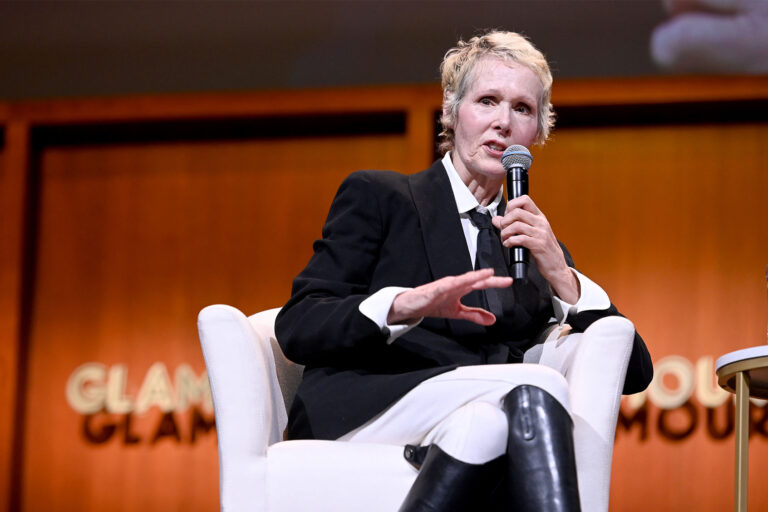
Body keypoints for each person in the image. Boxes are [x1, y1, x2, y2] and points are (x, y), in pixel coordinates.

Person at [276, 30, 653, 511]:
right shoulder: (381, 197)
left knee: (492, 424)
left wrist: (562, 274)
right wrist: (401, 304)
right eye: (488, 101)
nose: (503, 123)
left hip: (476, 426)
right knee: (535, 387)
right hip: (370, 406)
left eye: (522, 109)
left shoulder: (532, 244)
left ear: (538, 133)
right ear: (452, 114)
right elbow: (299, 324)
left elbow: (634, 370)